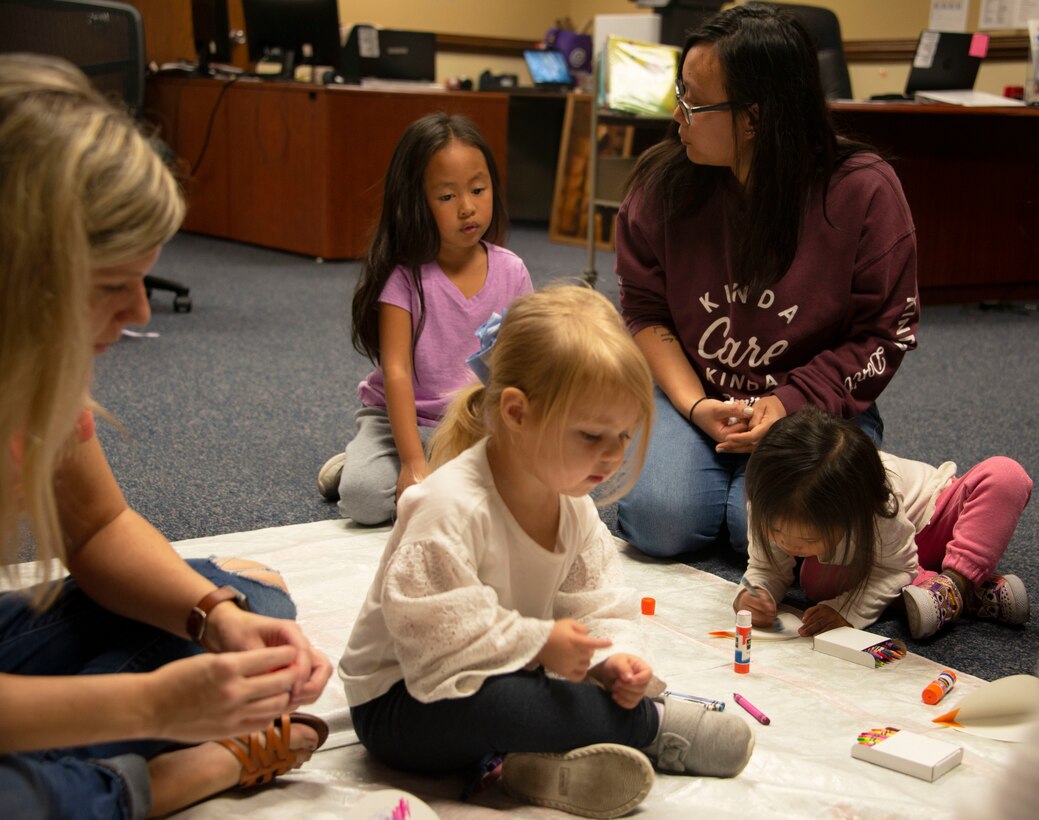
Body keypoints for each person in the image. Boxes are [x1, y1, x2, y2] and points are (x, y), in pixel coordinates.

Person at [0, 54, 333, 818]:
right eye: (114, 285)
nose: (142, 314)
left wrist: (214, 617)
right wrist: (146, 709)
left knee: (253, 610)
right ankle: (150, 782)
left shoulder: (32, 375)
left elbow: (98, 526)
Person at [339, 286, 755, 819]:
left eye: (624, 437)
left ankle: (537, 766)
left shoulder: (572, 504)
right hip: (402, 702)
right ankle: (653, 729)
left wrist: (612, 661)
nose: (610, 456)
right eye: (590, 435)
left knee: (540, 692)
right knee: (507, 702)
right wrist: (540, 646)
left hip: (500, 665)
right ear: (516, 413)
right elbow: (435, 637)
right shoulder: (448, 505)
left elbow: (598, 603)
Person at [614, 3, 919, 559]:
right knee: (663, 522)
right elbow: (644, 311)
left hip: (813, 405)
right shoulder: (662, 186)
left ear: (754, 118)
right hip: (700, 394)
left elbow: (883, 334)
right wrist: (692, 405)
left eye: (693, 102)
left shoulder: (864, 191)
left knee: (785, 536)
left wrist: (792, 402)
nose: (676, 116)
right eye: (679, 94)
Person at [317, 112, 532, 524]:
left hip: (475, 423)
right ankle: (354, 465)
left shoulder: (512, 271)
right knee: (364, 500)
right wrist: (412, 461)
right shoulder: (405, 278)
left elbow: (527, 362)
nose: (468, 208)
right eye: (447, 197)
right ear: (417, 201)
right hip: (402, 421)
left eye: (478, 189)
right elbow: (396, 373)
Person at [736, 408, 1032, 640]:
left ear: (851, 515)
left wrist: (847, 609)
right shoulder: (767, 503)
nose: (789, 545)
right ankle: (972, 591)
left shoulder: (875, 502)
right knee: (817, 579)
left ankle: (957, 582)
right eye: (776, 532)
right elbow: (766, 567)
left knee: (1005, 475)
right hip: (884, 559)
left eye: (808, 538)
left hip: (935, 524)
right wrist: (755, 594)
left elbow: (898, 567)